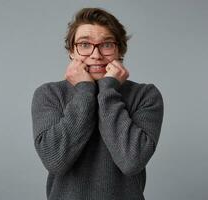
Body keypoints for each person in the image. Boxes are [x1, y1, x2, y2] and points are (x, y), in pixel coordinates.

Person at [31, 7, 164, 200]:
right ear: (71, 51)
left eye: (107, 44)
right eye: (84, 44)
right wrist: (85, 90)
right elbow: (56, 161)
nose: (96, 55)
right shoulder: (49, 94)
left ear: (120, 50)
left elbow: (131, 162)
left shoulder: (145, 95)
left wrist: (108, 90)